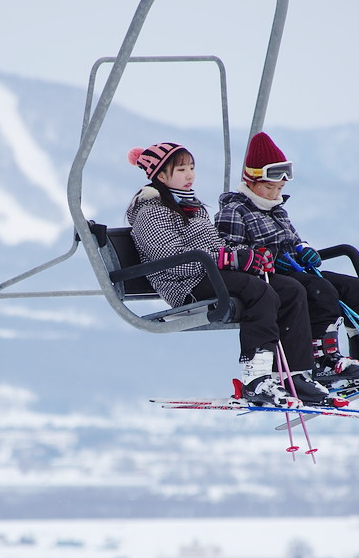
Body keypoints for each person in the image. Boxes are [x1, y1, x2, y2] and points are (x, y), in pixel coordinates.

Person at [125, 141, 340, 407]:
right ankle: (256, 378)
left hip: (209, 275)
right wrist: (228, 259)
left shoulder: (192, 207)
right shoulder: (152, 210)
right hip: (185, 284)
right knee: (259, 291)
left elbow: (216, 247)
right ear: (159, 175)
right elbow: (169, 259)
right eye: (181, 170)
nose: (190, 174)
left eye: (192, 167)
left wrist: (248, 254)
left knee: (290, 289)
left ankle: (293, 374)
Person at [214, 132, 359, 385]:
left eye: (279, 188)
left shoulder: (277, 210)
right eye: (268, 187)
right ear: (251, 182)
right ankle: (323, 359)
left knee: (354, 287)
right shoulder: (234, 210)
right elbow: (231, 250)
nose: (274, 193)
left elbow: (295, 239)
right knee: (321, 291)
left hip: (293, 270)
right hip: (266, 274)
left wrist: (304, 250)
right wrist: (271, 261)